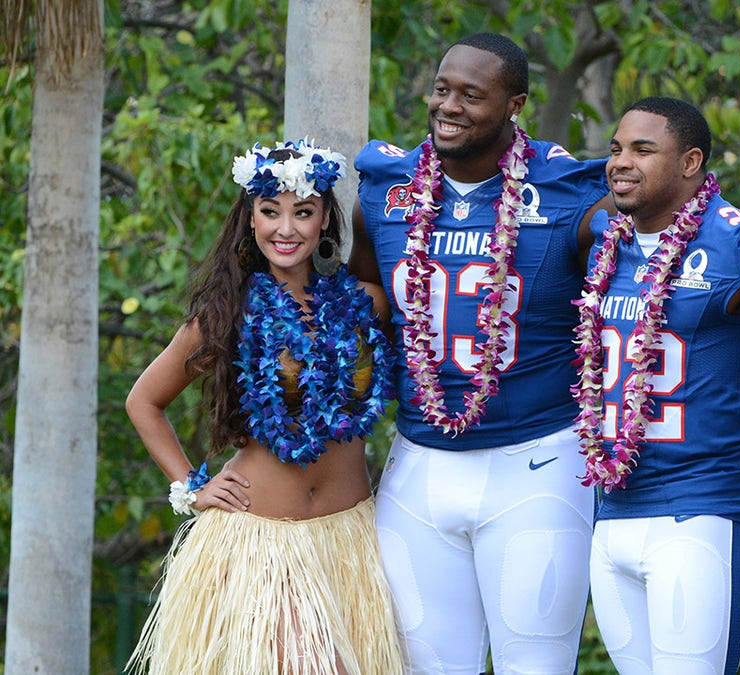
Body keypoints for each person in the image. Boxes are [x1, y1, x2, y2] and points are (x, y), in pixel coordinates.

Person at [351, 33, 613, 674]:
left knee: (536, 665)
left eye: (473, 94)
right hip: (417, 463)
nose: (450, 106)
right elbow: (365, 298)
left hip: (538, 462)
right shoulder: (385, 188)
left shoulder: (569, 190)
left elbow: (647, 282)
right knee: (425, 665)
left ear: (515, 104)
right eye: (443, 89)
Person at [125, 139, 406, 674]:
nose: (286, 228)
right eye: (270, 211)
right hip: (264, 542)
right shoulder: (227, 312)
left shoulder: (366, 303)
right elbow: (144, 402)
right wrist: (192, 486)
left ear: (325, 219)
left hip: (351, 541)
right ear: (250, 219)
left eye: (303, 212)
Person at [575, 97, 740, 674]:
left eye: (644, 149)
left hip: (703, 506)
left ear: (691, 162)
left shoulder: (739, 242)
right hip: (612, 507)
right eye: (616, 148)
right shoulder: (605, 242)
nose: (621, 161)